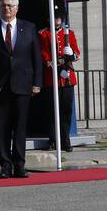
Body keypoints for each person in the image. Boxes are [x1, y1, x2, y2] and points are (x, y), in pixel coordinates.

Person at [0, 0, 42, 179]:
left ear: (17, 8)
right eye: (3, 6)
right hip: (0, 87)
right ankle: (5, 166)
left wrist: (37, 83)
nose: (6, 9)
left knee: (21, 127)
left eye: (10, 6)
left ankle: (20, 165)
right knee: (3, 128)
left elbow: (36, 57)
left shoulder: (29, 28)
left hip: (23, 85)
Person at [38, 11, 80, 152]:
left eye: (58, 17)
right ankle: (53, 139)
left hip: (67, 78)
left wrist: (71, 54)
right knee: (51, 111)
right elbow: (43, 53)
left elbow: (77, 54)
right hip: (52, 77)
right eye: (54, 17)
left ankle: (65, 139)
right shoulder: (43, 34)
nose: (56, 19)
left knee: (66, 110)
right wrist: (51, 61)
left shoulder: (70, 34)